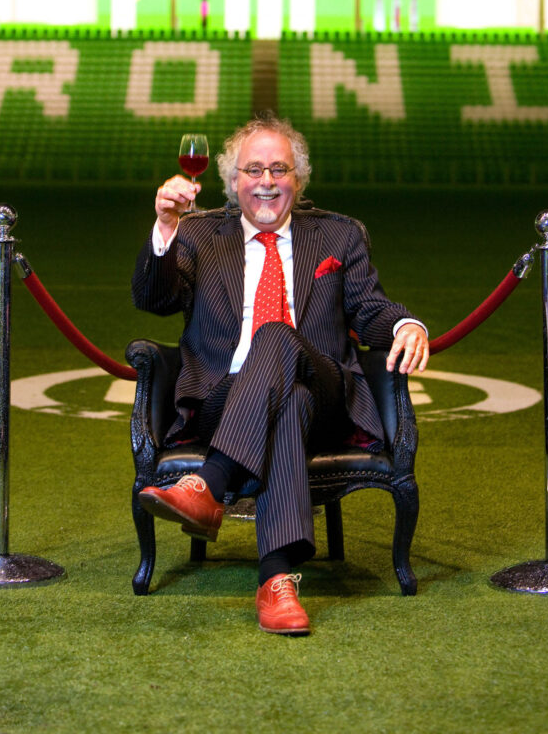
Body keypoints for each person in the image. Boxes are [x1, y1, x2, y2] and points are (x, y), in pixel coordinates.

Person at [132, 114, 429, 636]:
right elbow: (152, 300)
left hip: (328, 397)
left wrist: (406, 323)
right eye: (253, 170)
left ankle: (210, 485)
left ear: (299, 178)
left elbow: (369, 308)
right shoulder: (199, 234)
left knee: (276, 339)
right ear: (231, 182)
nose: (266, 181)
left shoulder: (338, 235)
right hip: (226, 400)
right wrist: (163, 229)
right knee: (285, 401)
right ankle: (277, 583)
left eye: (279, 169)